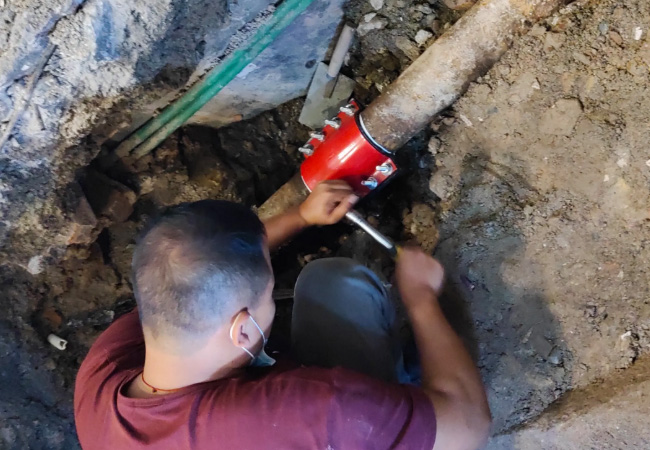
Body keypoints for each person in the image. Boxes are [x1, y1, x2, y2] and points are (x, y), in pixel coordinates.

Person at [74, 180, 491, 450]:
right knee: (337, 284)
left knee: (331, 283)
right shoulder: (311, 409)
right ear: (241, 330)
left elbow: (201, 263)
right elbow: (470, 424)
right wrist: (420, 300)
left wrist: (301, 217)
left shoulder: (102, 372)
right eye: (269, 293)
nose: (271, 298)